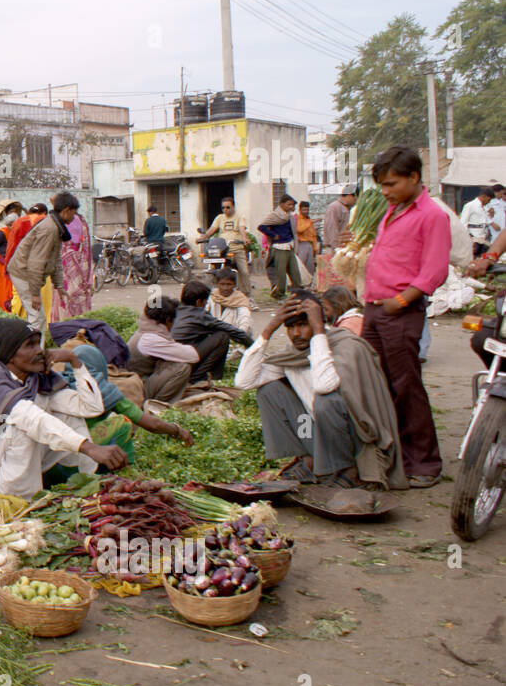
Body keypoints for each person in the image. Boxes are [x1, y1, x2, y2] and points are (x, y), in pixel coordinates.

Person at [234, 293, 406, 490]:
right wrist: (269, 329)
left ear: (318, 322)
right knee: (269, 391)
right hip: (314, 432)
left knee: (326, 401)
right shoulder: (294, 355)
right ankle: (310, 458)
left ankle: (348, 469)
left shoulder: (346, 346)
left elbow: (325, 385)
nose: (297, 333)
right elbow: (244, 381)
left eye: (303, 325)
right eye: (290, 327)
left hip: (355, 439)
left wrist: (318, 332)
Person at [350, 146, 449, 488]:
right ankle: (392, 456)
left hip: (400, 311)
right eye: (382, 185)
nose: (385, 191)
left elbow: (435, 270)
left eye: (391, 184)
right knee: (376, 384)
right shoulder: (391, 210)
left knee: (406, 386)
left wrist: (402, 299)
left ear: (414, 178)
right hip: (375, 309)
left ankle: (424, 463)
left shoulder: (432, 215)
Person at [0, 319, 127, 501]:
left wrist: (74, 360)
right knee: (23, 429)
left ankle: (89, 481)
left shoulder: (35, 380)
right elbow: (32, 419)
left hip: (4, 468)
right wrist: (89, 447)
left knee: (66, 415)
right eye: (29, 346)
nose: (40, 350)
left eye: (38, 344)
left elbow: (90, 407)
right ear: (10, 354)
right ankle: (15, 505)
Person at [68, 345, 193, 466]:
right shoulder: (102, 390)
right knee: (122, 422)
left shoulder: (60, 385)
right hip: (84, 453)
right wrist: (177, 430)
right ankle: (123, 467)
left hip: (61, 455)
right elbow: (153, 424)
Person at [9, 192, 78, 333]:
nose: (74, 217)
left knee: (37, 318)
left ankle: (34, 350)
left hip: (26, 273)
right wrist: (34, 293)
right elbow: (36, 262)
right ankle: (33, 352)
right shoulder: (49, 229)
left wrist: (59, 286)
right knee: (37, 318)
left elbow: (55, 259)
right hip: (23, 273)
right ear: (66, 211)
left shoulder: (55, 226)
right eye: (73, 213)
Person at [172, 279, 255, 381]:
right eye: (205, 302)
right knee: (222, 336)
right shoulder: (199, 315)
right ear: (199, 302)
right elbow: (235, 332)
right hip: (184, 363)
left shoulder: (174, 311)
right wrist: (256, 348)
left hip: (171, 364)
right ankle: (206, 377)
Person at [126, 296, 201, 404]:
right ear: (168, 320)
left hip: (136, 383)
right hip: (138, 390)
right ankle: (158, 404)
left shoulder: (146, 329)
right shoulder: (150, 339)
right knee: (182, 368)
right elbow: (193, 356)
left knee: (172, 359)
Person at [48, 194, 94, 322]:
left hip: (72, 264)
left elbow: (85, 247)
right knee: (68, 296)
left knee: (70, 296)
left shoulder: (65, 220)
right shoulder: (56, 221)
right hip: (69, 264)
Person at [197, 197, 253, 296]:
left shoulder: (239, 217)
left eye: (228, 207)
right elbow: (212, 229)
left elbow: (242, 228)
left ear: (233, 207)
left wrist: (245, 238)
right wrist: (203, 237)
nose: (225, 210)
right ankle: (216, 294)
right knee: (216, 271)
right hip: (222, 250)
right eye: (223, 208)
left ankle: (247, 296)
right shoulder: (219, 217)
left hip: (236, 248)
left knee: (244, 272)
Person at [259, 194, 304, 299]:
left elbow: (293, 232)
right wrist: (274, 235)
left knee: (295, 273)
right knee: (281, 274)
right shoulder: (275, 216)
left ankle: (297, 294)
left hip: (289, 246)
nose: (291, 207)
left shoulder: (290, 217)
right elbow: (262, 226)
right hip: (279, 247)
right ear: (282, 204)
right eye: (289, 204)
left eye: (292, 205)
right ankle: (279, 295)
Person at [205, 268, 253, 336]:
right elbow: (204, 316)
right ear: (217, 284)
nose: (225, 288)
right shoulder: (212, 297)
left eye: (229, 284)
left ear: (234, 285)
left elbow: (245, 321)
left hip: (234, 336)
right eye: (222, 284)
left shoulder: (241, 300)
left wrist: (239, 336)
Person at [322, 187, 357, 253]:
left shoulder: (346, 208)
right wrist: (335, 247)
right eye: (355, 198)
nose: (355, 201)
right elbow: (331, 228)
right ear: (349, 195)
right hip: (335, 248)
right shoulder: (334, 207)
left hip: (343, 247)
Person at [461, 188, 494, 256]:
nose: (489, 202)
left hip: (483, 238)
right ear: (484, 196)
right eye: (488, 200)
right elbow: (463, 222)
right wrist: (468, 237)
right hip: (474, 238)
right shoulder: (470, 205)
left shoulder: (484, 208)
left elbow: (486, 222)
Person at [295, 201, 320, 278]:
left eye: (307, 210)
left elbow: (313, 235)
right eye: (304, 210)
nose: (306, 212)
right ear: (300, 210)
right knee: (301, 265)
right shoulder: (298, 219)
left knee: (310, 266)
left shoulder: (308, 219)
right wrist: (310, 222)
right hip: (302, 244)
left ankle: (308, 284)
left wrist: (315, 248)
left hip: (310, 245)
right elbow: (299, 229)